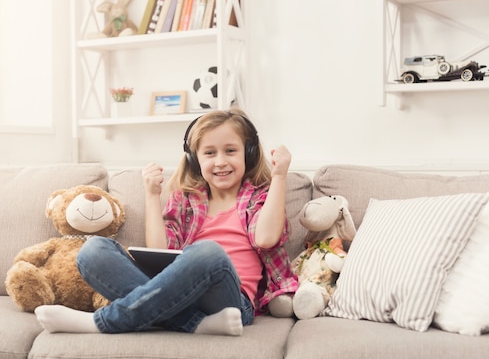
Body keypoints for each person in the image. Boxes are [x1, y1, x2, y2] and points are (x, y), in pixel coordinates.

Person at [35, 108, 299, 336]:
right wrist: (152, 195)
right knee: (93, 251)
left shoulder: (258, 197)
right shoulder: (186, 200)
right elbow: (162, 250)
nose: (220, 162)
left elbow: (266, 238)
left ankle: (101, 322)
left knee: (207, 252)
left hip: (230, 301)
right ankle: (197, 325)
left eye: (230, 151)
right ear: (195, 159)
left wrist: (279, 177)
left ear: (248, 154)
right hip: (182, 296)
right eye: (209, 153)